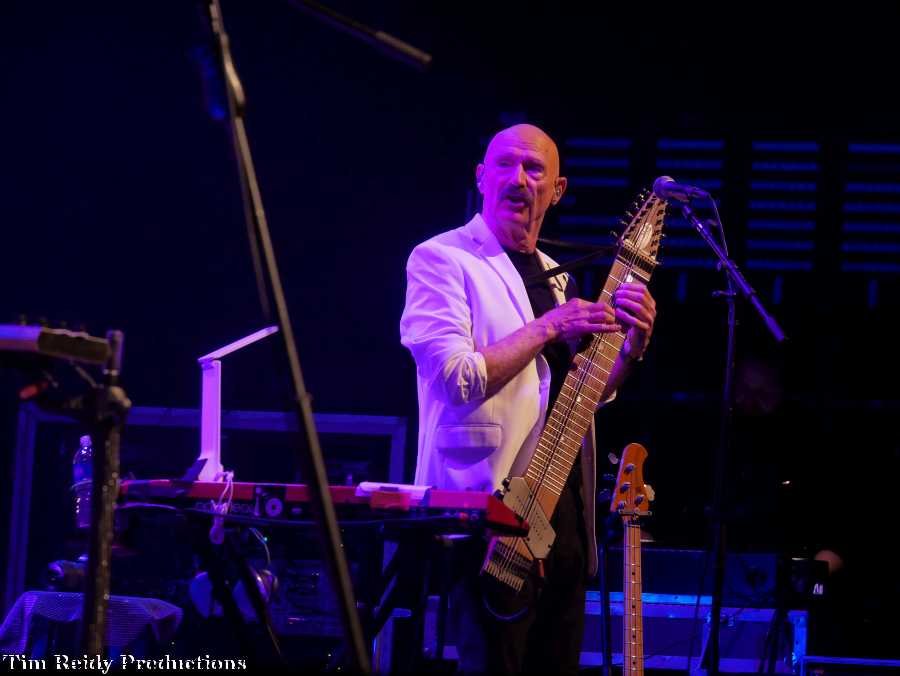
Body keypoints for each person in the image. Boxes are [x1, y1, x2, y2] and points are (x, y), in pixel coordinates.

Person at [399, 123, 657, 674]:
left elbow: (580, 398)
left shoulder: (556, 280)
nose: (518, 178)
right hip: (485, 520)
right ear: (481, 177)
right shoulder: (441, 259)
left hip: (564, 523)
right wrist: (548, 326)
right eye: (505, 165)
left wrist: (632, 349)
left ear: (557, 190)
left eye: (534, 168)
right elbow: (455, 379)